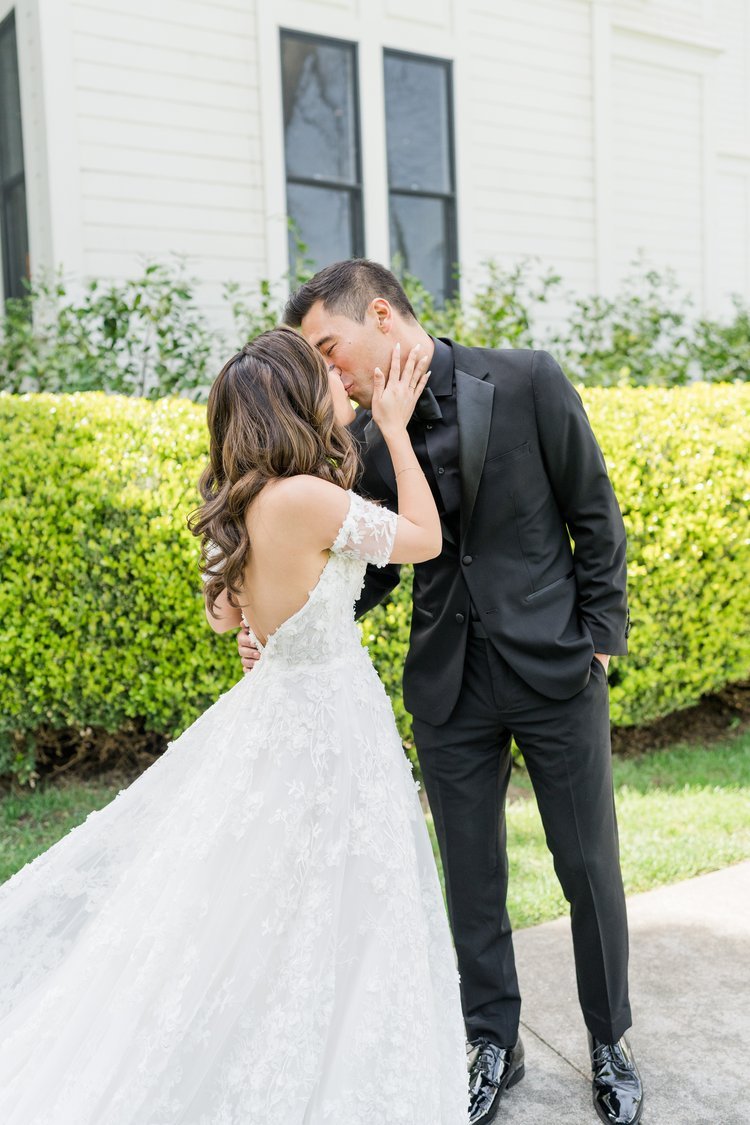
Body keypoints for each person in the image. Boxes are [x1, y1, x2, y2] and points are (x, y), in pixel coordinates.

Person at [0, 326, 468, 1124]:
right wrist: (392, 422)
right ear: (293, 396)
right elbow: (422, 540)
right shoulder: (303, 497)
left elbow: (226, 618)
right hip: (326, 722)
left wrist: (267, 628)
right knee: (338, 898)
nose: (336, 378)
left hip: (285, 714)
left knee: (280, 904)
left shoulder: (250, 499)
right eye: (322, 370)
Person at [238, 260, 645, 1125]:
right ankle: (493, 1040)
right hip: (448, 687)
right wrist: (284, 617)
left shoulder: (528, 379)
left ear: (381, 314)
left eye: (328, 348)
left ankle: (611, 1039)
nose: (326, 373)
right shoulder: (360, 438)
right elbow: (370, 565)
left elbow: (595, 518)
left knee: (588, 867)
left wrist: (598, 646)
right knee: (471, 877)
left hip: (556, 675)